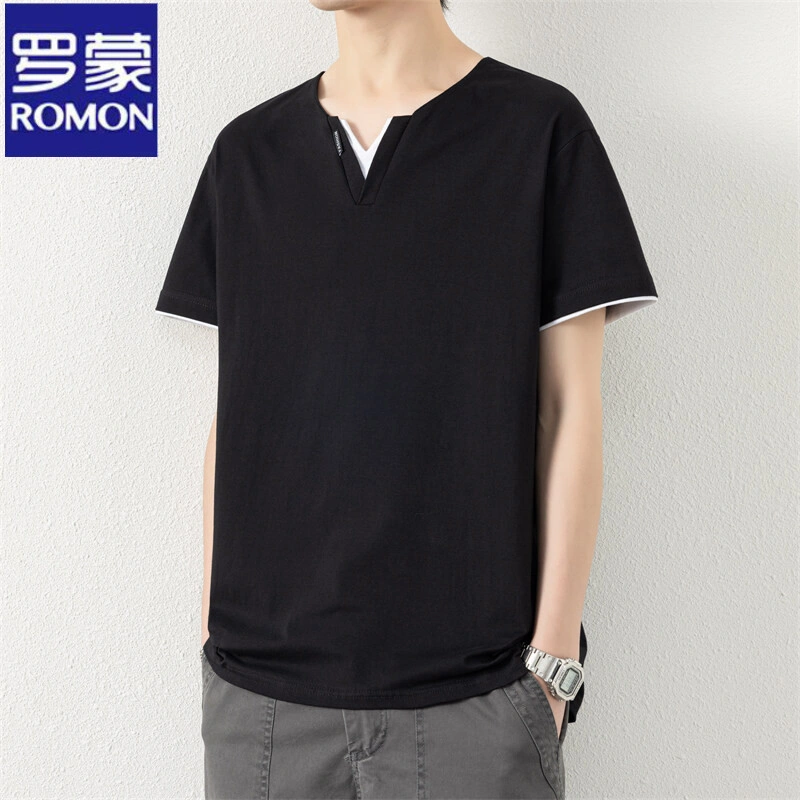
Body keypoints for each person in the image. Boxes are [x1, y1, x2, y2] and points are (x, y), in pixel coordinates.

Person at [155, 1, 658, 797]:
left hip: (477, 699)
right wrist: (215, 639)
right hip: (261, 706)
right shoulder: (248, 154)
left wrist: (552, 670)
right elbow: (241, 411)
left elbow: (569, 412)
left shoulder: (538, 131)